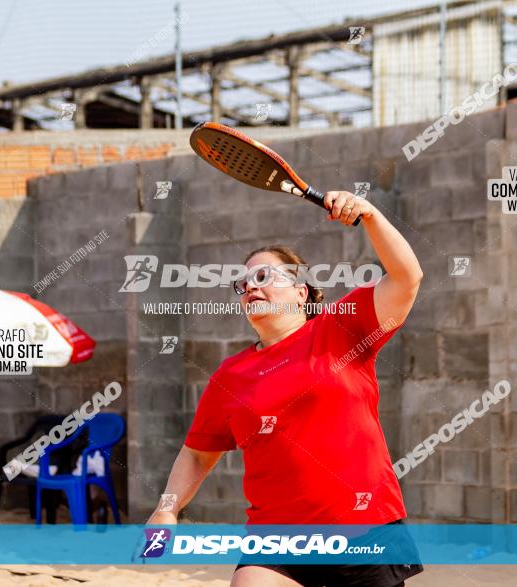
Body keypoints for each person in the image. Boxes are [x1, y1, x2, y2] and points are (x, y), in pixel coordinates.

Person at [148, 191, 425, 586]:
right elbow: (196, 455)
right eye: (242, 285)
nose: (249, 288)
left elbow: (407, 277)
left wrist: (370, 215)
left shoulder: (340, 331)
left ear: (301, 291)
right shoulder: (231, 375)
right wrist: (168, 509)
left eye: (262, 277)